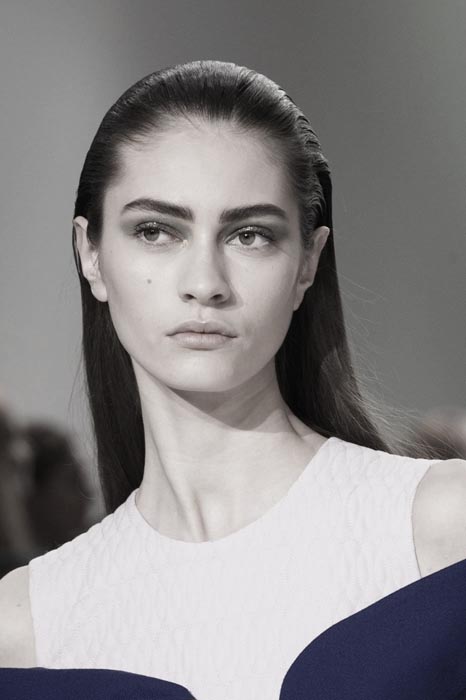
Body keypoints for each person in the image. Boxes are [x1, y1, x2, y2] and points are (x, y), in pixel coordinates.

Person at [1, 59, 466, 699]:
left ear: (307, 263)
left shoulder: (445, 527)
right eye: (156, 231)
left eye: (249, 235)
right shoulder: (26, 626)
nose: (205, 283)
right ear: (91, 254)